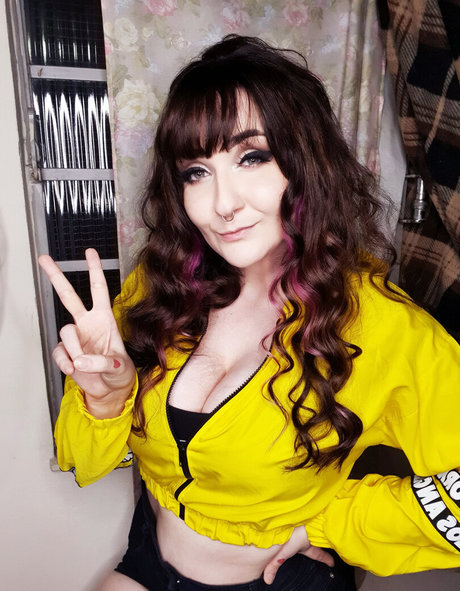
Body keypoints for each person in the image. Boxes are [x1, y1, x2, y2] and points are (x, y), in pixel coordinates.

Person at [38, 35, 460, 591]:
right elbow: (86, 464)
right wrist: (105, 400)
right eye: (196, 171)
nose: (223, 205)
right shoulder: (164, 286)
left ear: (305, 164)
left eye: (252, 157)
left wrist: (331, 522)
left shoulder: (383, 326)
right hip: (149, 555)